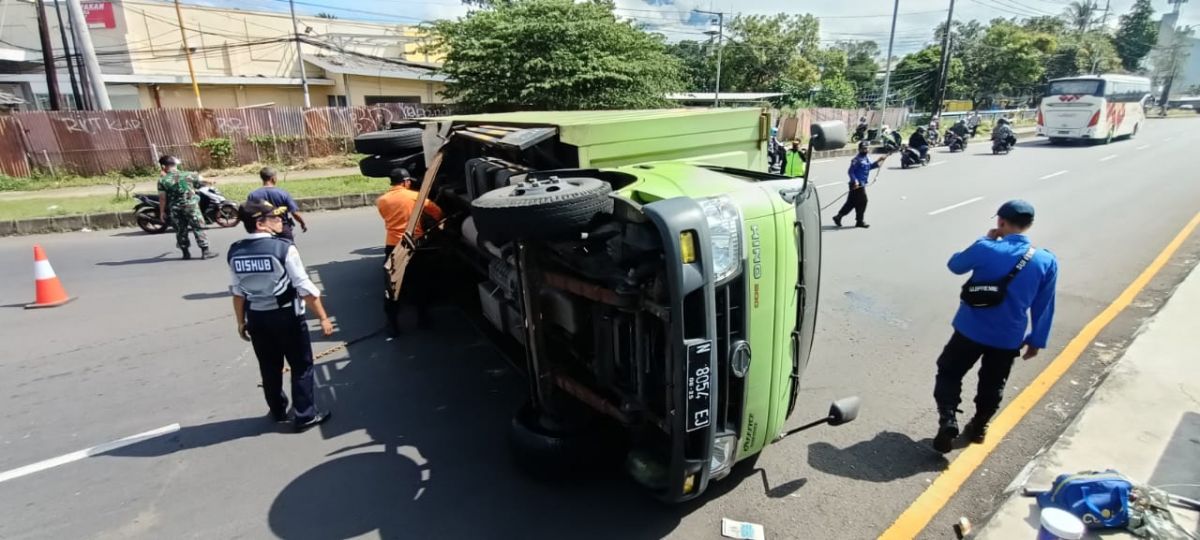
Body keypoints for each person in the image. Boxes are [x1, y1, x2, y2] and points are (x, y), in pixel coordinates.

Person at [932, 200, 1058, 453]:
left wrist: (986, 240)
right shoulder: (1045, 260)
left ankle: (948, 418)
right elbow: (1044, 304)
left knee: (949, 371)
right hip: (1008, 336)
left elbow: (955, 265)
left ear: (1000, 222)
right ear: (1029, 225)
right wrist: (1036, 340)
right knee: (993, 382)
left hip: (970, 329)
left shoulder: (986, 248)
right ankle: (979, 426)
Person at [228, 200, 334, 432]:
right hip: (287, 317)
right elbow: (304, 287)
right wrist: (323, 317)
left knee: (269, 366)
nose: (279, 221)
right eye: (274, 218)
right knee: (301, 366)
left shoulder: (235, 250)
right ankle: (305, 416)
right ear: (260, 223)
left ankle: (277, 410)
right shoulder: (283, 248)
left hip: (256, 317)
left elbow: (237, 292)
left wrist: (240, 322)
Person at [378, 168, 445, 336]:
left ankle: (393, 325)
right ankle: (423, 319)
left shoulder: (382, 200)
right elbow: (437, 212)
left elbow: (386, 217)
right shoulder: (415, 197)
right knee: (420, 283)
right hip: (414, 245)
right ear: (406, 182)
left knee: (392, 287)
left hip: (393, 247)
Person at [157, 155, 215, 260]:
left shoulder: (162, 181)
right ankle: (205, 251)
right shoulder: (189, 174)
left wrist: (161, 212)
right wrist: (211, 181)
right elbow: (201, 181)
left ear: (163, 166)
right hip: (191, 206)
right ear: (175, 164)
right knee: (198, 227)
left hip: (175, 209)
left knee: (180, 230)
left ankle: (185, 253)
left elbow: (162, 198)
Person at [832, 141, 887, 229]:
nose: (866, 149)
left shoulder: (866, 158)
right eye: (864, 148)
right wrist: (855, 181)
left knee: (851, 203)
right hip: (856, 185)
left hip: (861, 184)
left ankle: (838, 217)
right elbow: (850, 172)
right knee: (863, 201)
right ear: (859, 149)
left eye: (867, 148)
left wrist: (879, 160)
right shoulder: (856, 160)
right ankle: (859, 221)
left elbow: (869, 167)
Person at [247, 167, 308, 241]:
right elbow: (295, 213)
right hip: (282, 228)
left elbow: (249, 214)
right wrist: (302, 223)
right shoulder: (282, 193)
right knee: (289, 249)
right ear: (273, 178)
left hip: (263, 230)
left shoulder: (253, 195)